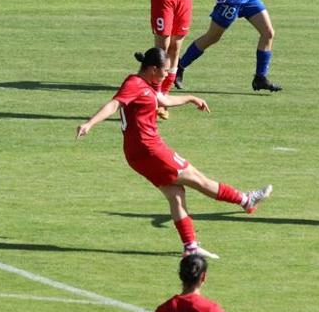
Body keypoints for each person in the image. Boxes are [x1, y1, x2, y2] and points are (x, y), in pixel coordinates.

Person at [76, 47, 272, 258]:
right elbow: (114, 104)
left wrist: (190, 98)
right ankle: (245, 200)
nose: (167, 75)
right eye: (165, 71)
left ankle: (190, 247)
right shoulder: (134, 84)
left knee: (176, 195)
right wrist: (90, 123)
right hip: (150, 150)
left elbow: (164, 100)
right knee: (198, 179)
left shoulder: (146, 85)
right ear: (153, 69)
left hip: (137, 154)